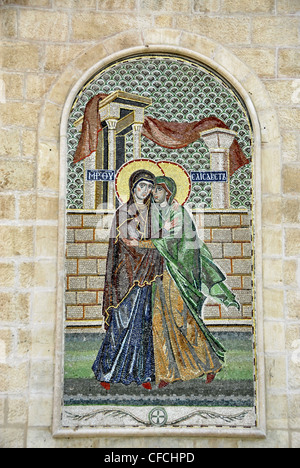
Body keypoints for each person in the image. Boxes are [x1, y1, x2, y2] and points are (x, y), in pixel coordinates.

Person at [150, 176, 240, 388]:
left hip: (178, 275)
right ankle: (167, 373)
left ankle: (210, 364)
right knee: (159, 323)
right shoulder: (153, 213)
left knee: (184, 321)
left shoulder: (179, 213)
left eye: (158, 190)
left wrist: (155, 238)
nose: (154, 193)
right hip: (158, 276)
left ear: (168, 192)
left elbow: (178, 242)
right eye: (153, 189)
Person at [92, 169, 164, 390]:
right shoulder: (123, 212)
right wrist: (145, 246)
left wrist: (149, 246)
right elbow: (124, 244)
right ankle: (107, 372)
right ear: (133, 188)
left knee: (143, 326)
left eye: (149, 187)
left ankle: (142, 374)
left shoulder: (155, 214)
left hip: (147, 275)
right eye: (141, 186)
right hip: (126, 275)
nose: (145, 190)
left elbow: (160, 243)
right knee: (120, 324)